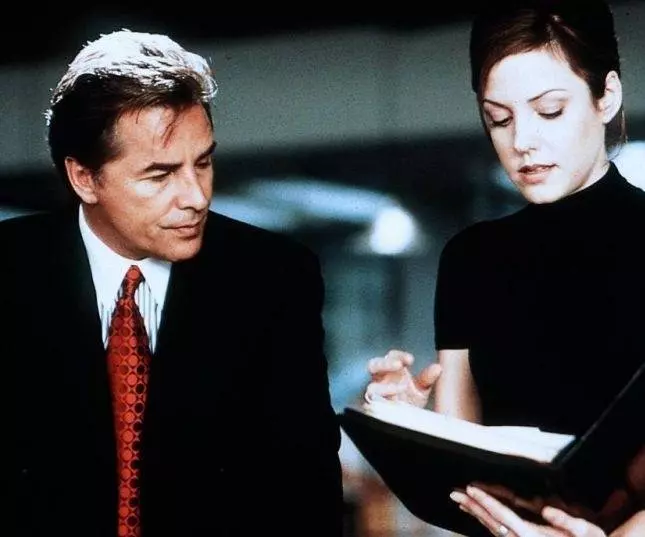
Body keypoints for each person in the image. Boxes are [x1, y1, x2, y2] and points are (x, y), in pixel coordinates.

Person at [5, 29, 344, 537]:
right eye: (160, 175)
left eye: (203, 163)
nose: (196, 197)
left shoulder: (274, 278)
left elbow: (306, 492)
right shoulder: (10, 271)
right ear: (84, 178)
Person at [364, 1, 645, 536]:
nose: (521, 142)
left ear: (607, 95)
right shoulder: (471, 259)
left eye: (550, 110)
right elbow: (463, 483)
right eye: (498, 118)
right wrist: (406, 424)